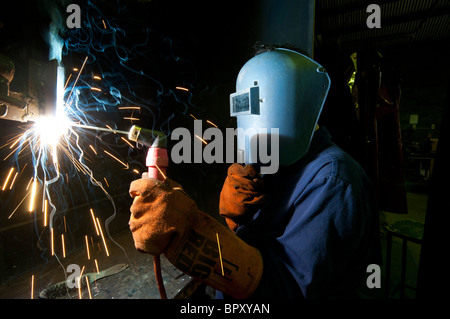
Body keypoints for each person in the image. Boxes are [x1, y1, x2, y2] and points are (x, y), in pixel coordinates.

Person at [128, 47, 381, 299]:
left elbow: (287, 289)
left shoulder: (335, 181)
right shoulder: (279, 159)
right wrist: (239, 225)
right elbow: (260, 241)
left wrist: (191, 235)